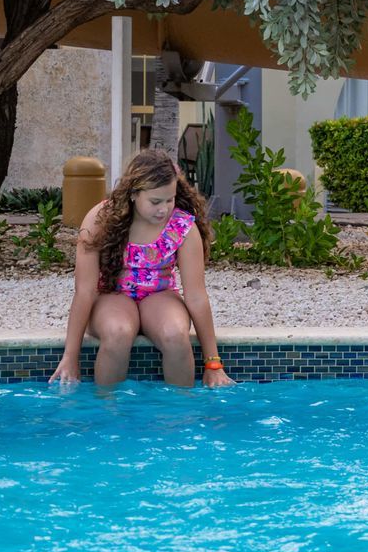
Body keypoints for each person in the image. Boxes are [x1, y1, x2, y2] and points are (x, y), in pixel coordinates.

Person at [51, 148, 233, 389]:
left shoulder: (182, 228)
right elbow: (84, 291)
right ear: (134, 193)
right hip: (112, 296)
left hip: (159, 296)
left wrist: (213, 364)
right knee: (117, 333)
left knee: (175, 336)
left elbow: (197, 296)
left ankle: (179, 418)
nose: (164, 209)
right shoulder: (100, 219)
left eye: (170, 199)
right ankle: (108, 414)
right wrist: (70, 357)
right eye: (155, 201)